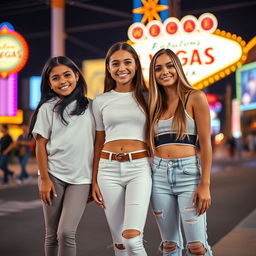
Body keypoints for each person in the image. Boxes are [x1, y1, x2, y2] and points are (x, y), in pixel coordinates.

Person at [148, 48, 212, 256]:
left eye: (169, 66)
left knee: (197, 247)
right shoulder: (154, 104)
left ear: (177, 67)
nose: (164, 72)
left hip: (189, 175)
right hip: (158, 176)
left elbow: (206, 144)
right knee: (170, 245)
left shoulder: (195, 97)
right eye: (158, 69)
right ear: (153, 74)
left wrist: (205, 184)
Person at [29, 56, 95, 256]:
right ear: (49, 83)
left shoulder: (93, 107)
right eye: (55, 78)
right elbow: (40, 145)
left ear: (76, 75)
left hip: (82, 179)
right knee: (51, 234)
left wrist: (96, 180)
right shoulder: (47, 108)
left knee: (66, 232)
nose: (62, 80)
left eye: (67, 74)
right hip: (53, 176)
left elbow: (99, 143)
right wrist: (44, 178)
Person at [92, 42, 152, 256]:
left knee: (133, 240)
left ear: (136, 65)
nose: (121, 68)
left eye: (127, 62)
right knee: (119, 243)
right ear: (108, 68)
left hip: (139, 169)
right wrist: (94, 181)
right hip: (107, 170)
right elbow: (98, 142)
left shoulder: (149, 97)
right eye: (115, 63)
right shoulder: (100, 101)